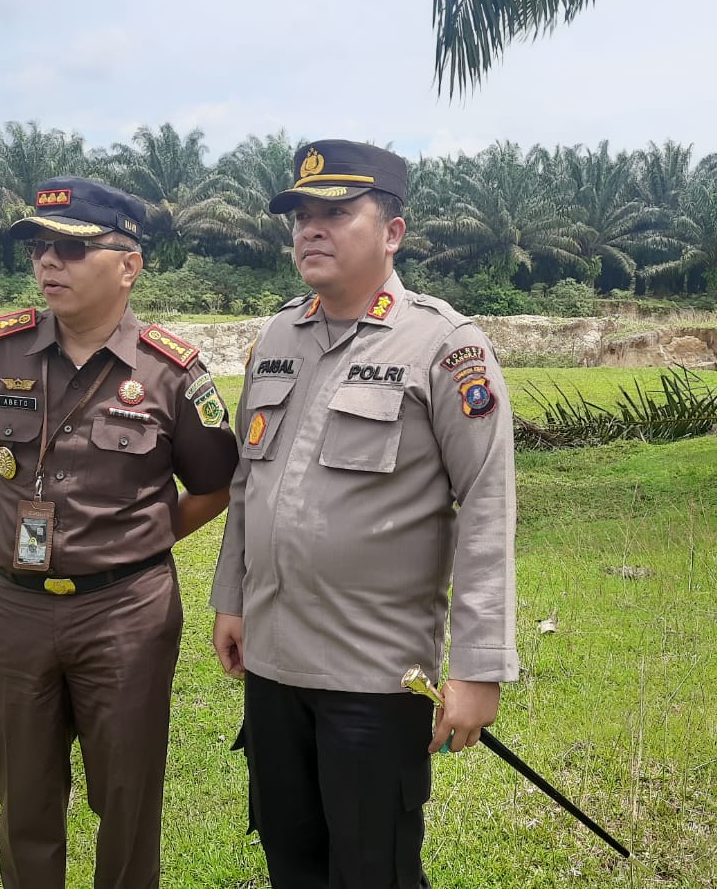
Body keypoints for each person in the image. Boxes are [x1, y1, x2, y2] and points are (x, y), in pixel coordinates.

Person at [209, 140, 520, 886]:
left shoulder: (444, 345)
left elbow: (487, 502)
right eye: (301, 215)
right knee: (291, 859)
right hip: (274, 663)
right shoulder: (276, 337)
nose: (311, 228)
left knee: (371, 869)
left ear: (392, 232)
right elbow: (249, 483)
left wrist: (478, 667)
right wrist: (231, 600)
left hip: (375, 675)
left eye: (337, 212)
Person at [0, 175, 239, 887]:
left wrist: (133, 538)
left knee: (128, 800)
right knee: (23, 800)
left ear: (128, 265)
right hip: (14, 610)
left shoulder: (171, 371)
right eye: (40, 247)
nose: (49, 262)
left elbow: (215, 484)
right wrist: (24, 524)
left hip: (124, 613)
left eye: (73, 249)